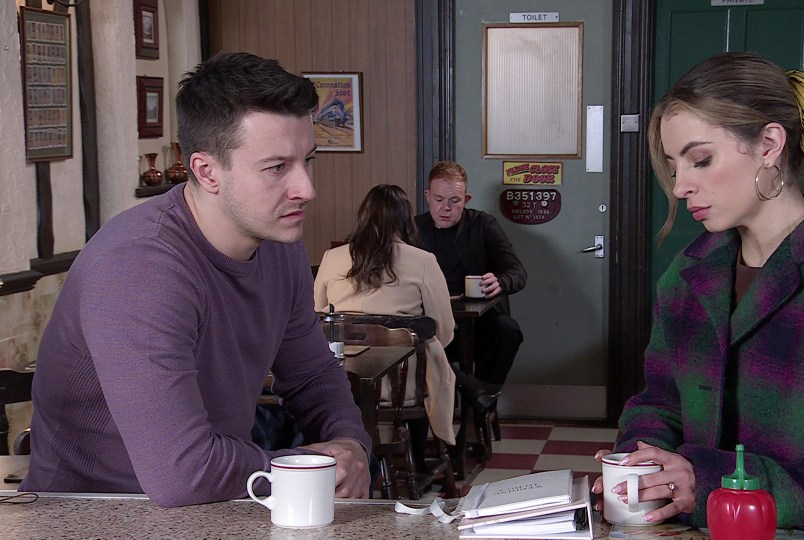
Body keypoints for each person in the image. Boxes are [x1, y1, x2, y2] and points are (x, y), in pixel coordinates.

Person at [21, 52, 372, 507]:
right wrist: (309, 468)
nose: (306, 188)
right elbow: (181, 473)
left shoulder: (279, 243)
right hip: (93, 515)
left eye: (309, 160)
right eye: (277, 167)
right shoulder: (139, 266)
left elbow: (311, 374)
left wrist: (348, 444)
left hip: (216, 507)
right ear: (206, 171)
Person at [592, 52, 804, 529]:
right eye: (673, 165)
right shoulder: (687, 276)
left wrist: (709, 483)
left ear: (769, 144)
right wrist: (643, 463)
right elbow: (659, 403)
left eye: (700, 160)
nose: (681, 185)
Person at [314, 184, 458, 453]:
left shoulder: (332, 258)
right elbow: (444, 330)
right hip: (403, 385)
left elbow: (318, 319)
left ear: (363, 217)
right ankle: (414, 452)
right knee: (429, 364)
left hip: (344, 378)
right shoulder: (423, 261)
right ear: (406, 220)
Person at [415, 161, 527, 390]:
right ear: (427, 196)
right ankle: (468, 394)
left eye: (454, 201)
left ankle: (483, 399)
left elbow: (517, 273)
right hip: (430, 322)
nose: (445, 208)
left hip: (478, 323)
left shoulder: (483, 225)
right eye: (438, 200)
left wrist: (500, 282)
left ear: (465, 200)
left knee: (508, 331)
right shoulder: (414, 228)